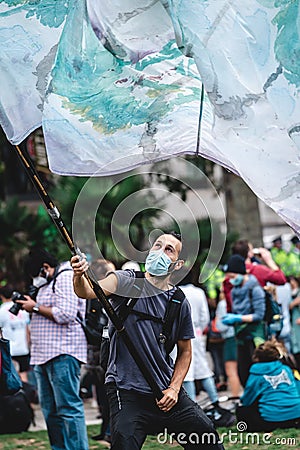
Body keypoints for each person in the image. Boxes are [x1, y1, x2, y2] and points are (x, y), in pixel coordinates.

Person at [71, 232, 224, 450]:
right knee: (124, 443)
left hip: (165, 392)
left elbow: (185, 352)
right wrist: (78, 274)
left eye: (168, 250)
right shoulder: (125, 280)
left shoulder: (178, 302)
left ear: (178, 264)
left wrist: (173, 389)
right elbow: (86, 291)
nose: (160, 252)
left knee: (207, 438)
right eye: (157, 246)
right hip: (126, 389)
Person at [16, 248, 89, 450]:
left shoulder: (65, 277)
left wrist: (35, 307)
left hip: (63, 352)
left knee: (68, 408)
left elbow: (66, 313)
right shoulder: (47, 282)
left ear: (45, 268)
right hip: (42, 355)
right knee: (50, 411)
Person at [222, 254, 266, 386]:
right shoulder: (235, 290)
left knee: (257, 372)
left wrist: (238, 318)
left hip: (255, 337)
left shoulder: (255, 288)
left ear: (240, 273)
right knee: (243, 373)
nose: (231, 280)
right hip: (241, 337)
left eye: (233, 277)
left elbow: (259, 315)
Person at [237, 340, 300, 431]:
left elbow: (247, 399)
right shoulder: (286, 369)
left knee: (243, 411)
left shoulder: (257, 374)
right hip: (296, 415)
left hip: (272, 420)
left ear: (256, 358)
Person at [0, 285, 30, 382]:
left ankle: (14, 397)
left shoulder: (2, 310)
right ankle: (25, 396)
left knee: (10, 376)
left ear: (1, 296)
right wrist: (28, 345)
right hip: (23, 348)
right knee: (24, 375)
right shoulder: (23, 309)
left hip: (9, 349)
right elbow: (27, 329)